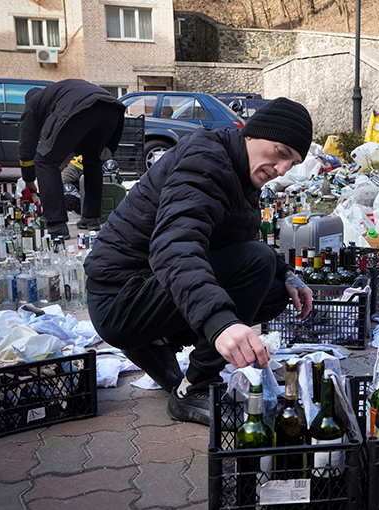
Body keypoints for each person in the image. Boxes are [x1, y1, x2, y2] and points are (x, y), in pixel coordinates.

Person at [83, 98, 315, 426]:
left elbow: (238, 241)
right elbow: (174, 246)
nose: (281, 169)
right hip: (119, 299)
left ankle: (156, 341)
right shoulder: (206, 160)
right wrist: (221, 323)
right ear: (251, 133)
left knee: (275, 289)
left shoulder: (239, 169)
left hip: (147, 288)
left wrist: (287, 273)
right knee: (257, 264)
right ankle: (195, 386)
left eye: (291, 163)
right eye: (280, 152)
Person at [19, 79, 126, 239]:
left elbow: (27, 145)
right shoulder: (59, 94)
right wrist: (62, 159)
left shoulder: (33, 105)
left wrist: (29, 180)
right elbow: (76, 138)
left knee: (45, 161)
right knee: (92, 161)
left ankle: (57, 226)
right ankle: (91, 218)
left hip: (83, 107)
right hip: (112, 109)